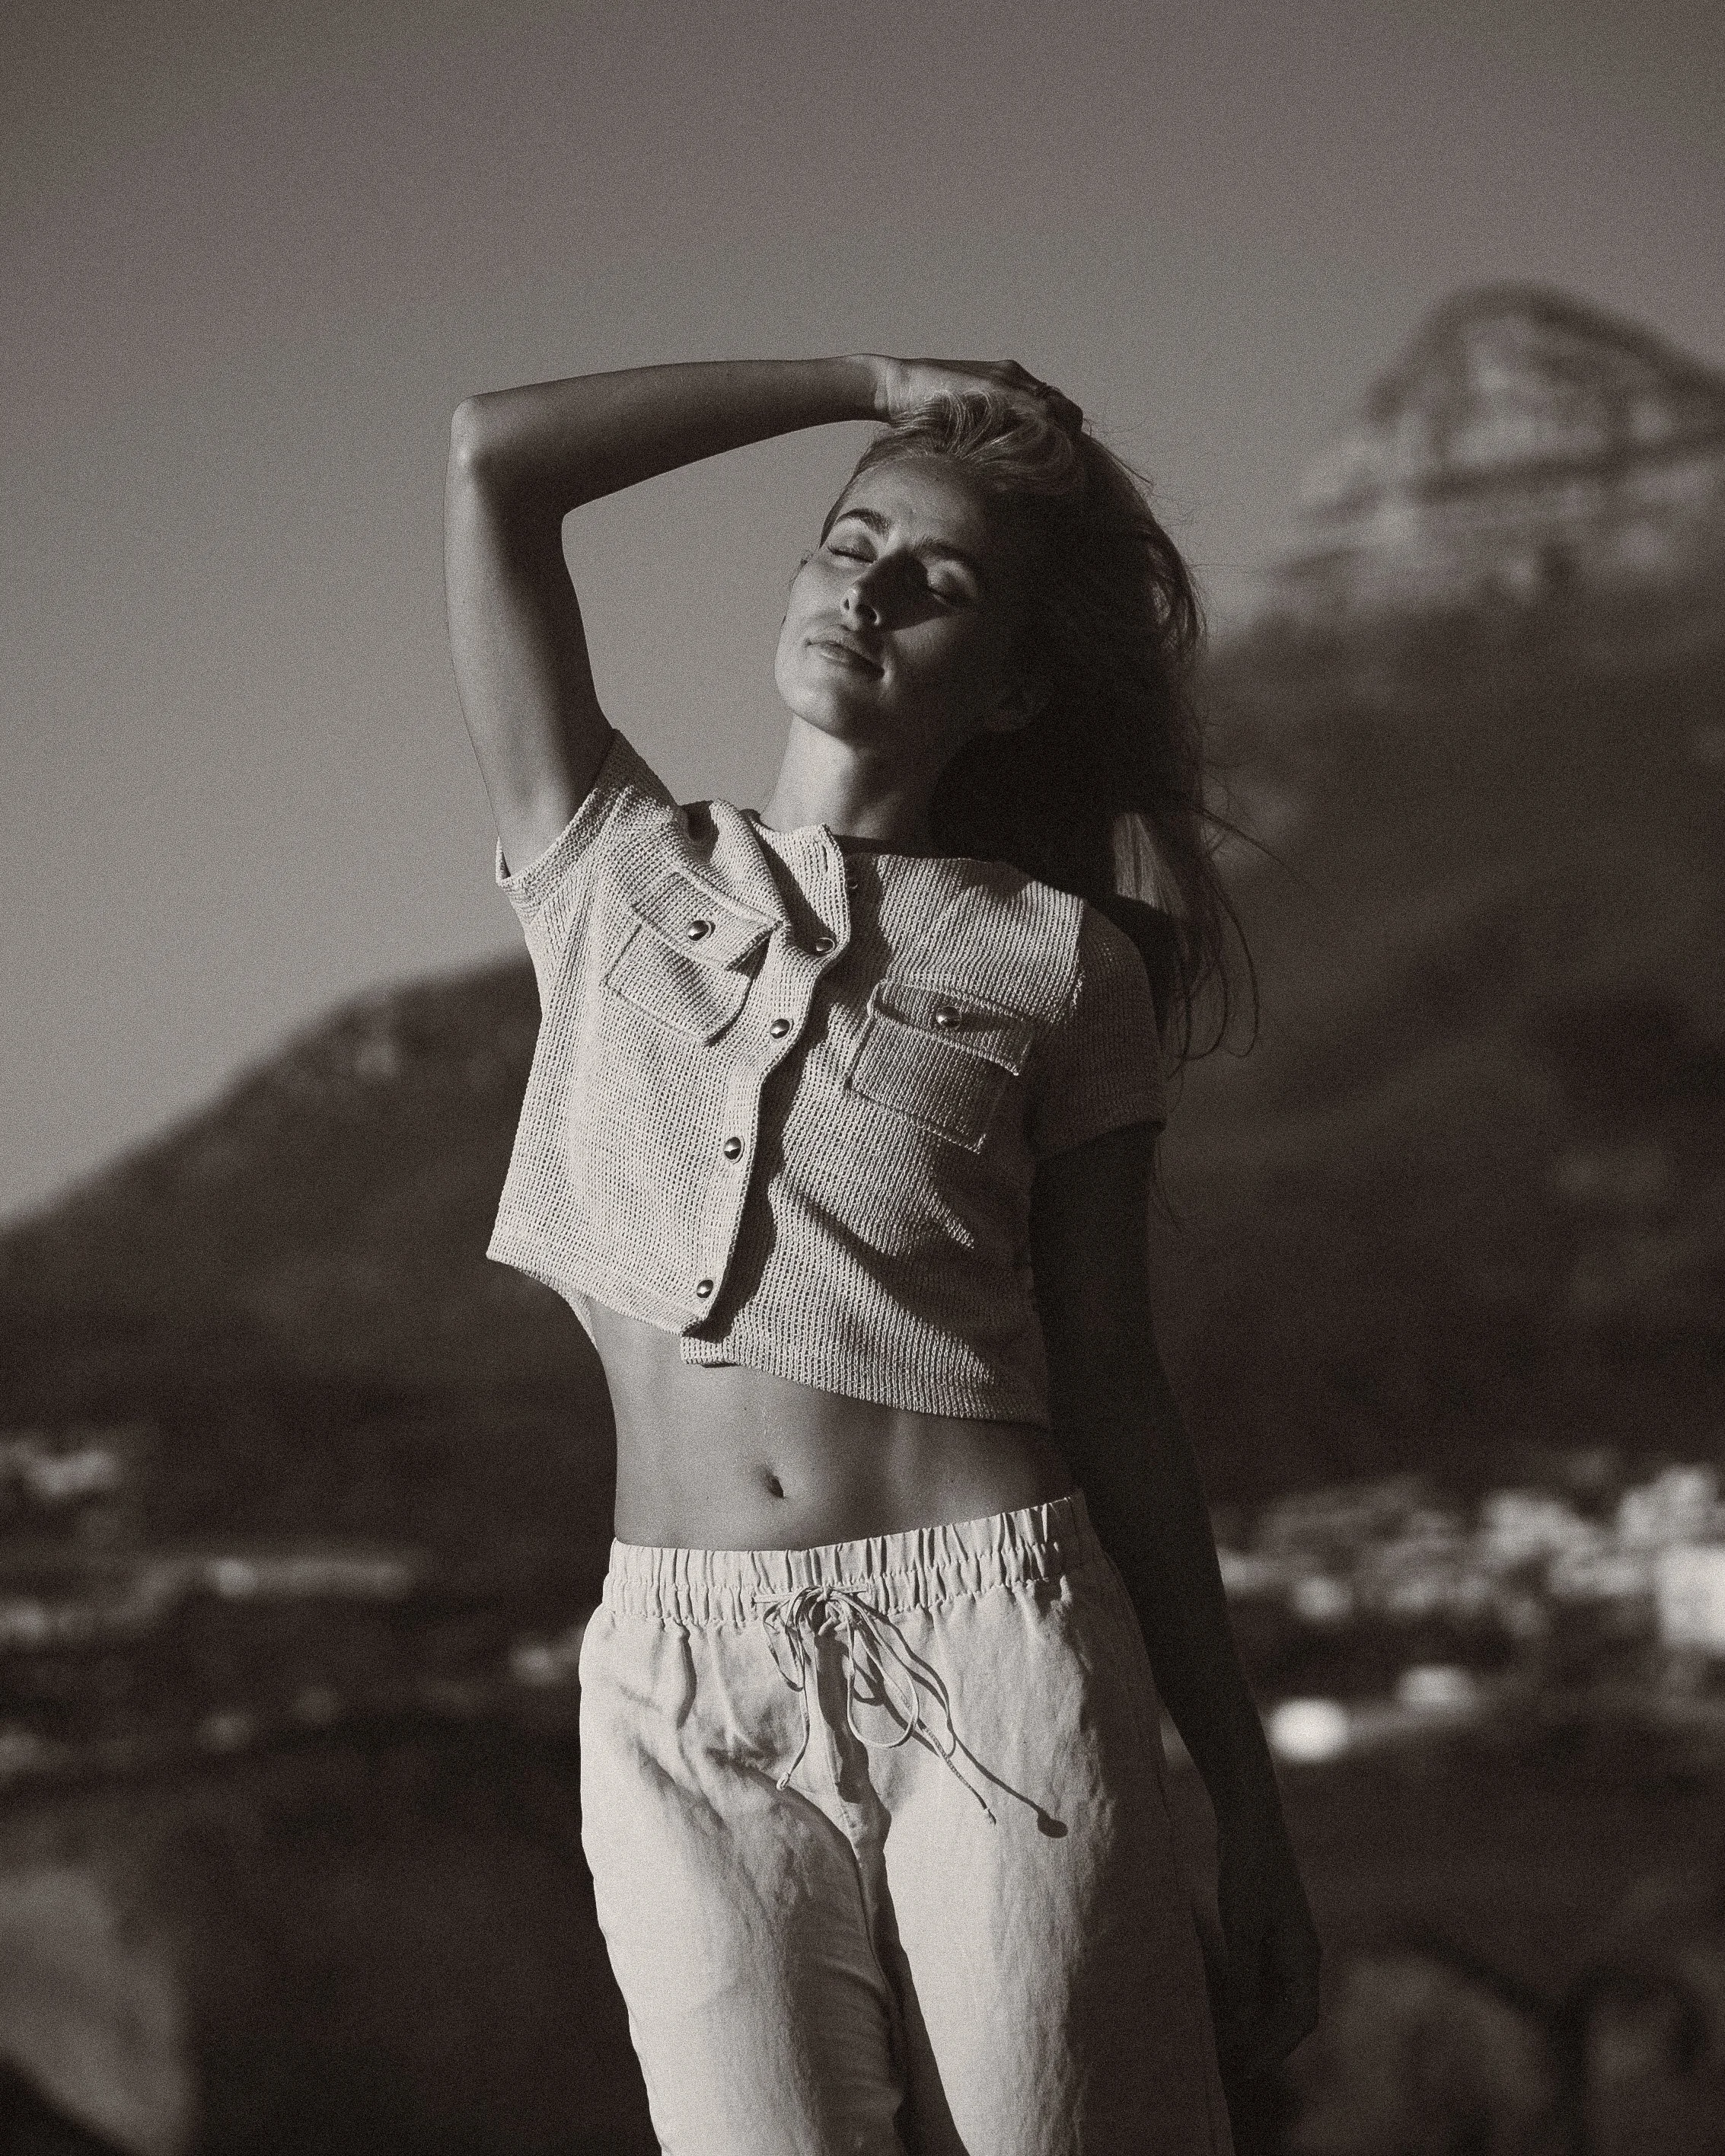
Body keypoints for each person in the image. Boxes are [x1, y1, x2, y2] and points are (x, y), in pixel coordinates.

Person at [444, 355, 1320, 2156]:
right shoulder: (606, 868)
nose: (868, 590)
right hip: (678, 1674)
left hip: (993, 1636)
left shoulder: (1062, 962)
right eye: (849, 545)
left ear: (1013, 686)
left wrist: (1244, 1801)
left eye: (935, 581)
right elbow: (493, 465)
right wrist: (862, 376)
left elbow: (1115, 1387)